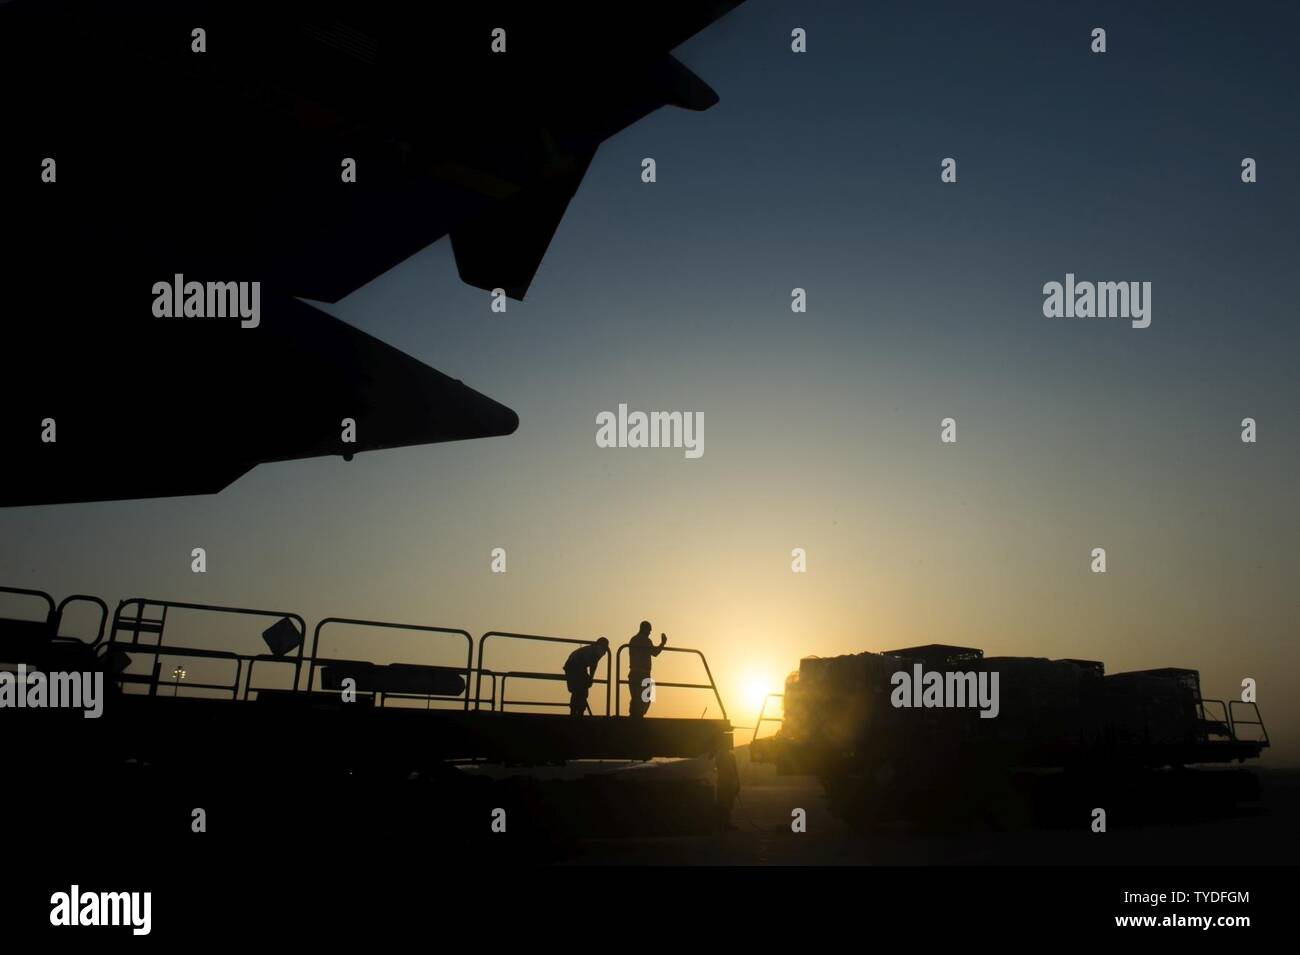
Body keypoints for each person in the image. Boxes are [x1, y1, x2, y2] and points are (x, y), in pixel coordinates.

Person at [627, 621, 667, 718]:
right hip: (643, 675)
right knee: (646, 698)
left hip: (634, 674)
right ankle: (637, 718)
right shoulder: (645, 640)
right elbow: (655, 653)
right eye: (649, 631)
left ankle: (634, 718)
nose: (650, 633)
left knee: (636, 698)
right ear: (644, 629)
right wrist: (663, 643)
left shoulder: (633, 639)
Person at [563, 637, 608, 717]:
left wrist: (590, 678)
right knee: (581, 689)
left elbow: (593, 664)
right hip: (575, 665)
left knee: (578, 690)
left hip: (574, 665)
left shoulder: (593, 648)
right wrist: (590, 678)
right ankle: (578, 712)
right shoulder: (597, 649)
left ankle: (576, 711)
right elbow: (593, 664)